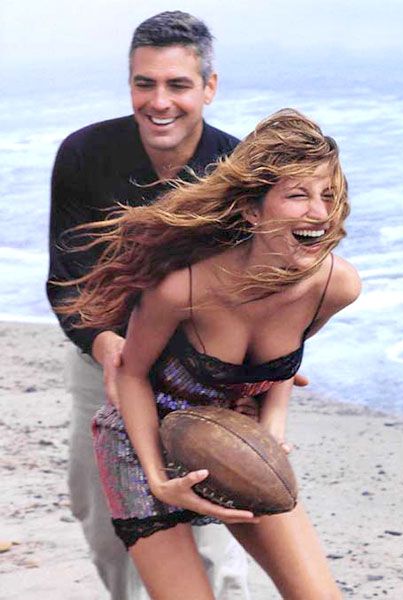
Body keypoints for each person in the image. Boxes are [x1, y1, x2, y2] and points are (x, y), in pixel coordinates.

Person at [56, 108, 361, 599]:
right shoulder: (183, 288)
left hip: (231, 445)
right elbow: (131, 375)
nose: (320, 213)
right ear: (253, 210)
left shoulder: (335, 285)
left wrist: (272, 427)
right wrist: (158, 478)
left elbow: (286, 356)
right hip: (141, 446)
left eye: (327, 195)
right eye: (298, 195)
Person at [47, 11, 275, 600]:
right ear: (130, 83)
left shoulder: (241, 171)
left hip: (202, 377)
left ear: (209, 87)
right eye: (144, 83)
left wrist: (272, 368)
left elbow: (265, 289)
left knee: (213, 534)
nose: (159, 101)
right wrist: (106, 346)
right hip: (105, 362)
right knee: (108, 526)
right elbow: (68, 279)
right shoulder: (83, 154)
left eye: (178, 84)